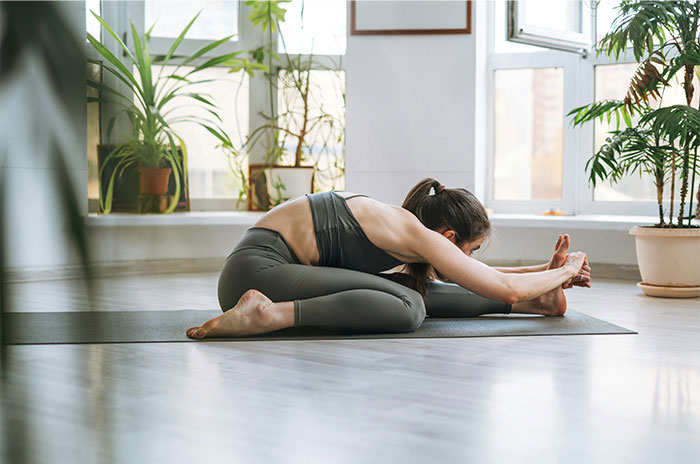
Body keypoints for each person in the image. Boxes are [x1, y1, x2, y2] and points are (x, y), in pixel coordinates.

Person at [186, 178, 591, 339]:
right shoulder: (416, 234)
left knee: (414, 289)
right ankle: (266, 314)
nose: (468, 259)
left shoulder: (409, 226)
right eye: (471, 249)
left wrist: (548, 276)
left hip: (269, 268)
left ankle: (538, 302)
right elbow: (496, 284)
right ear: (449, 237)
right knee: (408, 305)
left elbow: (478, 275)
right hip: (255, 274)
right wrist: (569, 269)